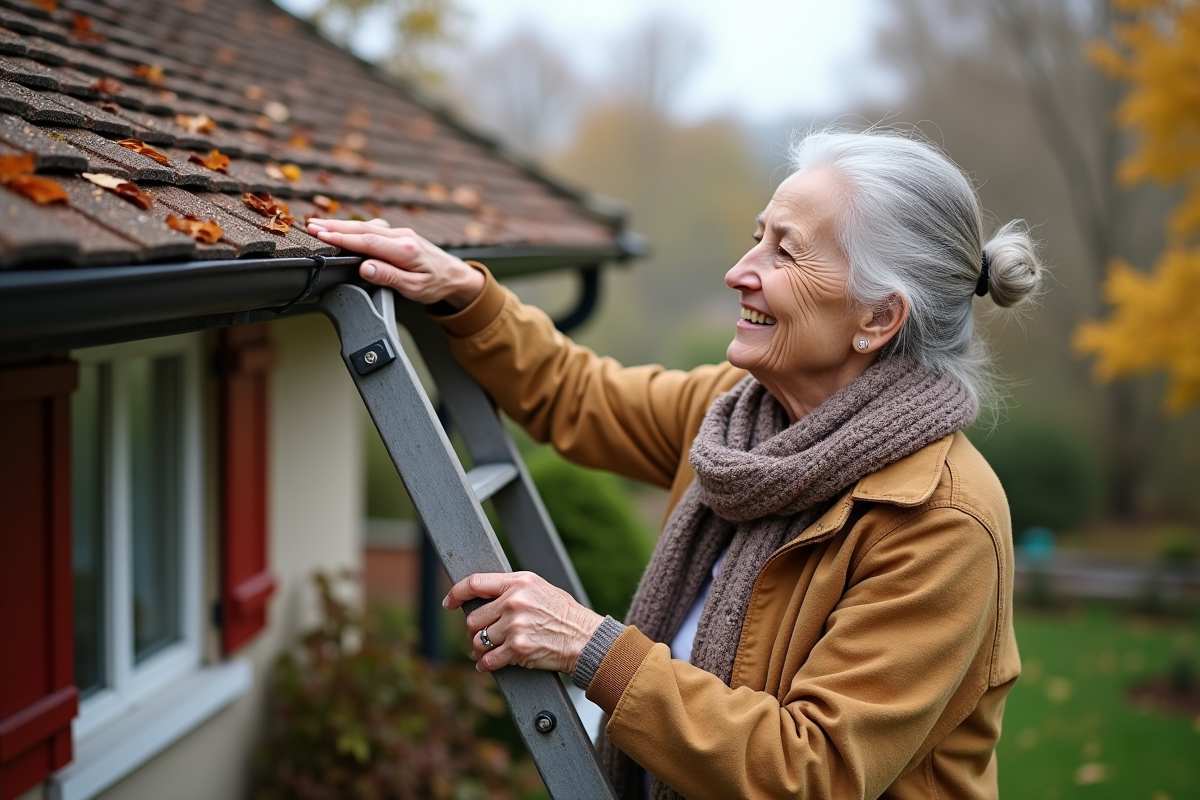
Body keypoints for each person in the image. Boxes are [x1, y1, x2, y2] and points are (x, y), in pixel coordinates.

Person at [306, 128, 1040, 800]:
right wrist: (467, 296)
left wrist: (595, 648)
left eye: (785, 251)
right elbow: (577, 394)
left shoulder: (942, 521)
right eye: (757, 239)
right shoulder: (736, 414)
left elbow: (813, 771)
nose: (739, 271)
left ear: (878, 318)